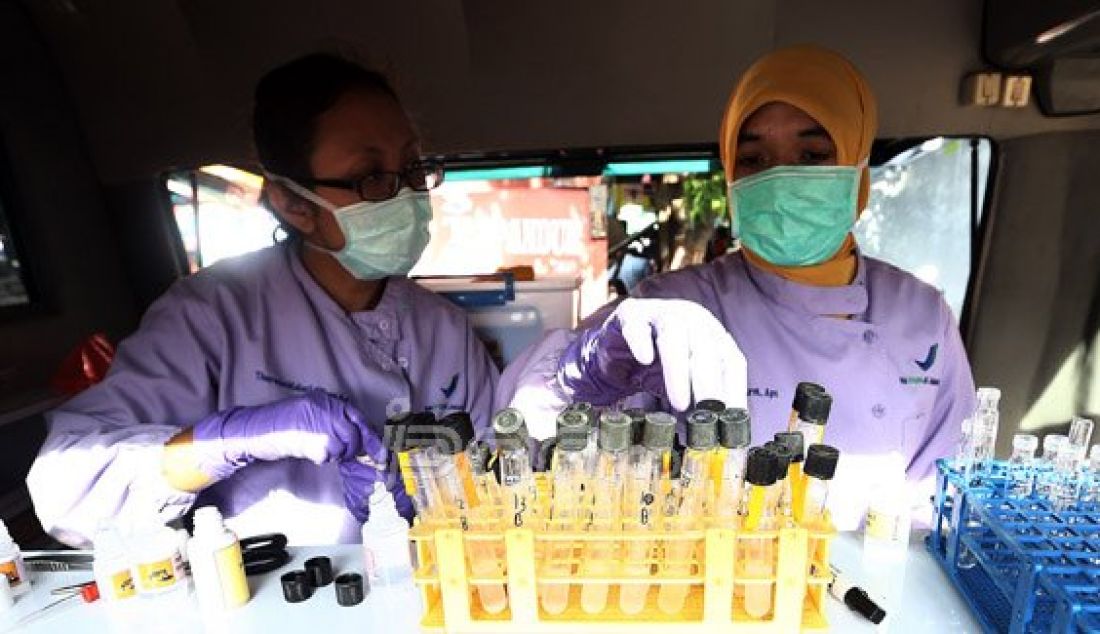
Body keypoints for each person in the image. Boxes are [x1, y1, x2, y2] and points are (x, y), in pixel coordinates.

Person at [27, 53, 498, 546]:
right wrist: (224, 442)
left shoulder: (444, 329)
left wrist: (442, 496)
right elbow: (67, 488)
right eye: (371, 176)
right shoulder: (212, 314)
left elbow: (498, 470)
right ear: (294, 204)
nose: (404, 194)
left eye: (412, 166)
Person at [497, 45, 974, 528]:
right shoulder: (668, 307)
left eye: (812, 154)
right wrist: (591, 365)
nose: (781, 178)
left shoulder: (922, 314)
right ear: (729, 175)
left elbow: (950, 499)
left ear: (858, 168)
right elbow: (522, 430)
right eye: (753, 158)